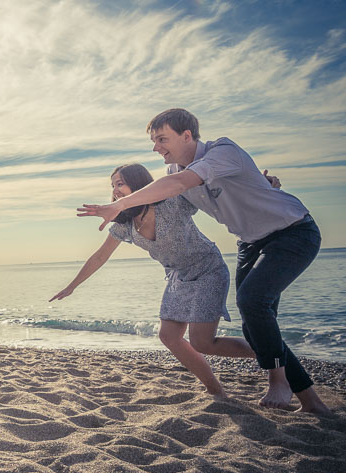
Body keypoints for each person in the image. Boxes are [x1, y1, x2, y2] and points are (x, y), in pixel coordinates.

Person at [77, 108, 330, 415]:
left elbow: (184, 182)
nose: (155, 147)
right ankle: (312, 402)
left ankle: (278, 380)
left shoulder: (222, 151)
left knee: (252, 301)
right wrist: (259, 181)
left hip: (292, 231)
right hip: (250, 243)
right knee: (257, 329)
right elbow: (170, 189)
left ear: (187, 136)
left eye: (162, 139)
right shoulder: (172, 176)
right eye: (153, 141)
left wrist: (119, 205)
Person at [52, 164, 255, 398]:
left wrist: (256, 184)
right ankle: (215, 389)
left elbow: (211, 191)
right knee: (168, 336)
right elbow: (100, 256)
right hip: (178, 276)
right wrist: (72, 286)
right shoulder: (125, 224)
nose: (115, 190)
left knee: (202, 342)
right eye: (113, 186)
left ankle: (269, 350)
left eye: (120, 183)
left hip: (208, 269)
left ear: (138, 184)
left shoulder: (171, 203)